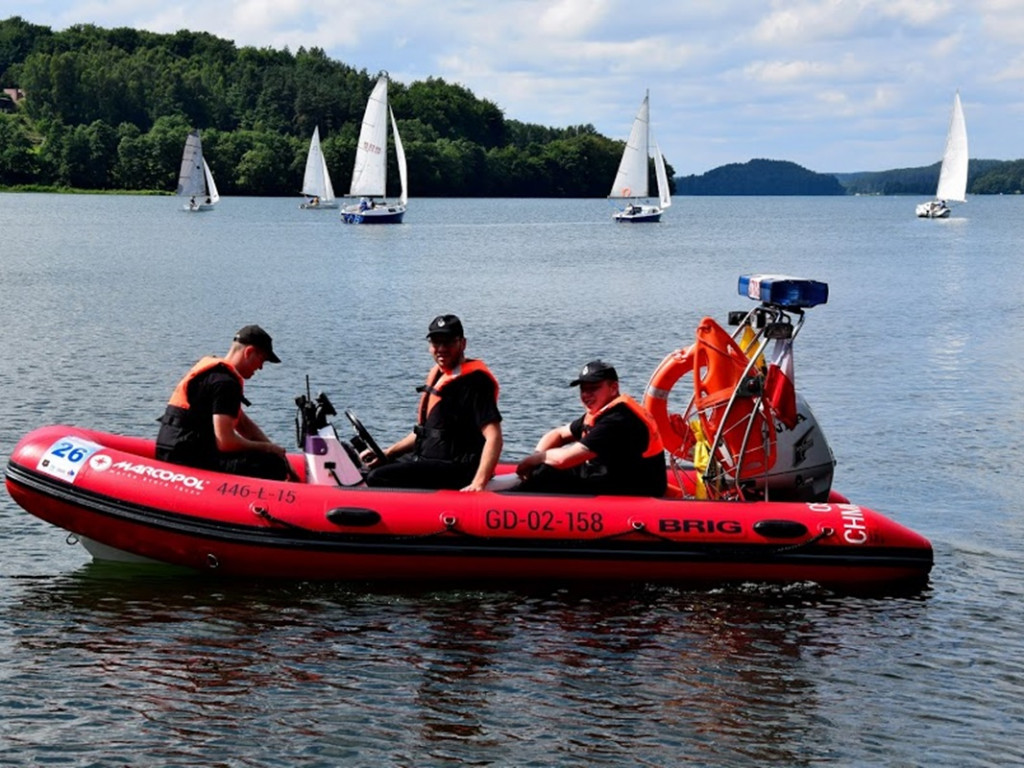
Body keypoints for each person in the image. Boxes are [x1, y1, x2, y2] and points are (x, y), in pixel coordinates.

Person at [364, 314, 503, 491]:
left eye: (448, 342)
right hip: (428, 460)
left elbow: (494, 437)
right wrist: (388, 452)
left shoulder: (475, 382)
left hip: (456, 468)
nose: (441, 349)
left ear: (462, 344)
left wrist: (478, 483)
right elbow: (427, 433)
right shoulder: (439, 375)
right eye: (436, 343)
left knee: (377, 477)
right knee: (365, 467)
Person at [156, 324, 290, 480]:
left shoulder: (215, 375)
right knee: (272, 465)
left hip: (170, 449)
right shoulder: (226, 383)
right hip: (185, 457)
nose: (260, 367)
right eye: (262, 360)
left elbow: (243, 424)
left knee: (271, 457)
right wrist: (266, 449)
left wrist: (273, 449)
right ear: (249, 352)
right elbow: (226, 442)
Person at [514, 360, 666, 497]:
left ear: (613, 388)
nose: (586, 395)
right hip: (609, 478)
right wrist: (537, 457)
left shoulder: (619, 419)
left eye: (593, 388)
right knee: (545, 469)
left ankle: (512, 501)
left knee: (547, 473)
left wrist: (533, 461)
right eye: (583, 389)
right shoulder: (602, 412)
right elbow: (558, 434)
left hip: (632, 490)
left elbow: (563, 459)